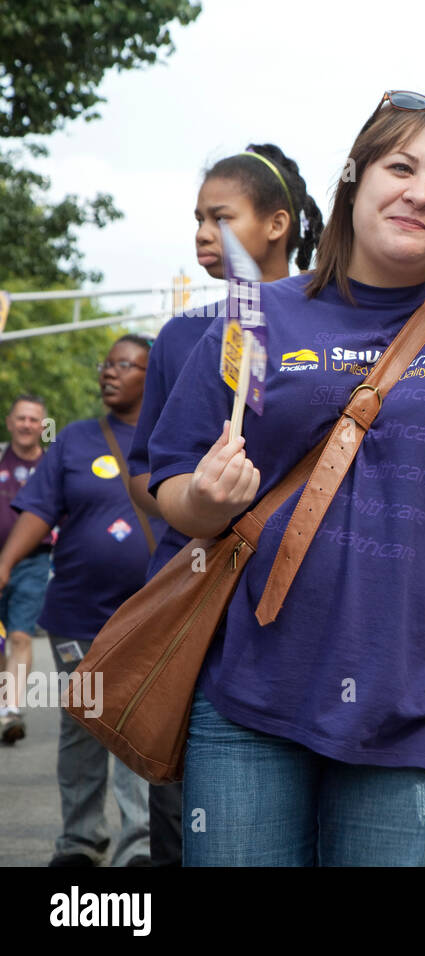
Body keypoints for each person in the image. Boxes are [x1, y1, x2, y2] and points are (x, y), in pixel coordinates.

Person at [147, 92, 425, 866]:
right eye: (400, 167)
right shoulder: (255, 315)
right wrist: (204, 502)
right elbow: (172, 485)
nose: (421, 192)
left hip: (424, 710)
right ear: (355, 182)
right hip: (251, 697)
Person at [126, 143, 322, 867]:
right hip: (200, 598)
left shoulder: (338, 326)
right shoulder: (181, 337)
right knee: (189, 824)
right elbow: (148, 470)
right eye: (197, 219)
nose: (203, 234)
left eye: (220, 217)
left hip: (310, 606)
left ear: (277, 224)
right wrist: (199, 502)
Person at [0, 336, 165, 866]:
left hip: (150, 617)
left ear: (151, 373)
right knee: (84, 727)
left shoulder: (172, 437)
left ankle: (139, 843)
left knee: (136, 726)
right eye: (106, 364)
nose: (109, 373)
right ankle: (80, 840)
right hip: (79, 615)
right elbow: (38, 512)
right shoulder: (73, 440)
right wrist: (4, 563)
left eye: (124, 364)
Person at [0, 394, 53, 744]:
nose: (27, 425)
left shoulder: (52, 467)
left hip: (34, 562)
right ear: (9, 422)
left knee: (19, 635)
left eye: (34, 419)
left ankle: (10, 711)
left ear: (42, 426)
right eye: (21, 418)